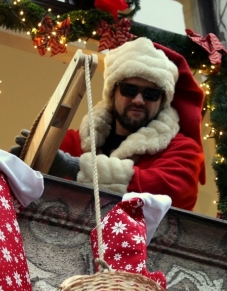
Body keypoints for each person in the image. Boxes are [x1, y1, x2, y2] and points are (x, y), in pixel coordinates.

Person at [14, 37, 206, 211]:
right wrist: (23, 163)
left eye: (151, 94)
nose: (139, 100)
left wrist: (74, 168)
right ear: (112, 94)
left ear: (162, 101)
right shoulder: (72, 142)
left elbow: (168, 191)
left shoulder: (184, 150)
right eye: (129, 89)